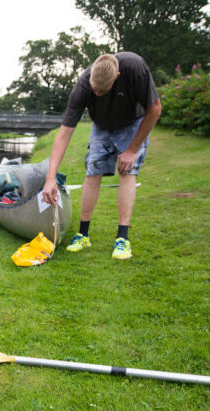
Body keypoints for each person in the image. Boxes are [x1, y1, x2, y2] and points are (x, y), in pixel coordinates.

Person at [41, 52, 162, 260]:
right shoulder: (83, 87)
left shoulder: (135, 69)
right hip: (102, 124)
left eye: (102, 90)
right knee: (92, 171)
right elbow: (64, 135)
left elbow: (155, 109)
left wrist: (132, 150)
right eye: (94, 88)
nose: (96, 93)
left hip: (133, 122)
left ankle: (122, 238)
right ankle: (83, 234)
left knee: (127, 170)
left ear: (117, 77)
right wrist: (50, 178)